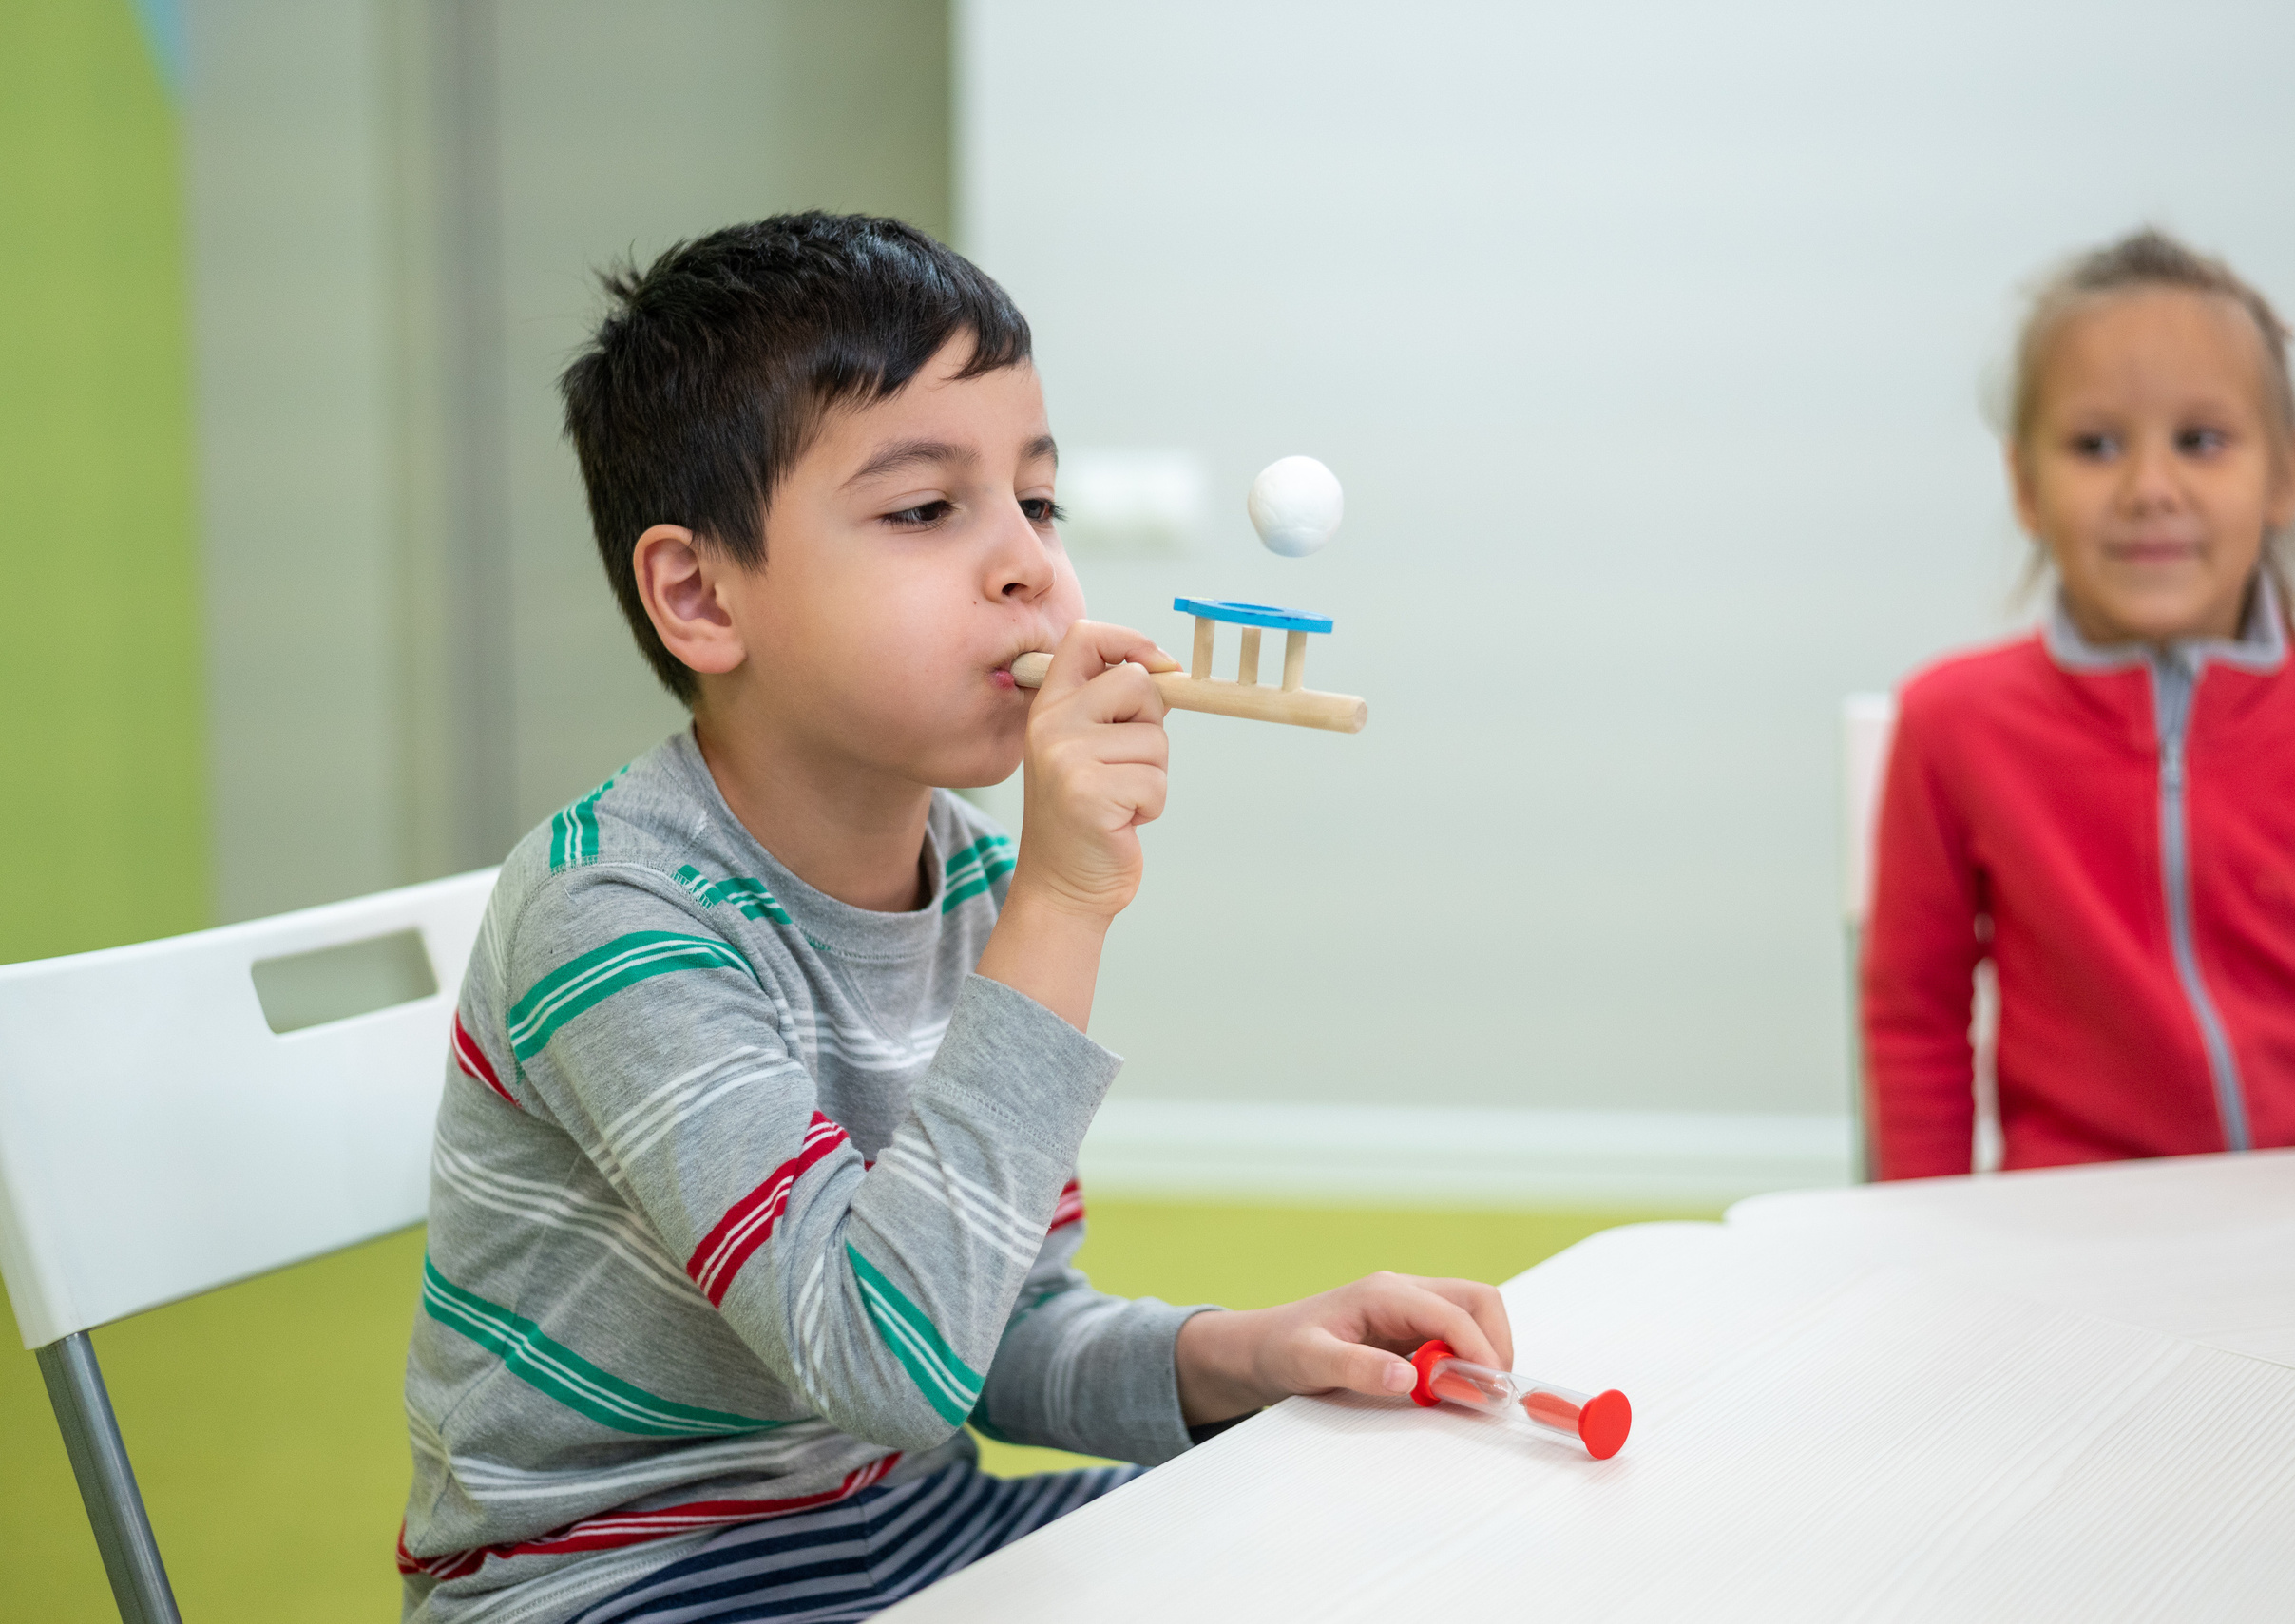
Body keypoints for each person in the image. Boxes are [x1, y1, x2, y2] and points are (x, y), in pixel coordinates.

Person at [396, 212, 1512, 1624]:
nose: (1030, 567)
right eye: (928, 510)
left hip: (916, 1528)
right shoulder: (613, 916)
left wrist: (1242, 1355)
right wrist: (1065, 901)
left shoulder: (972, 874)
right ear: (698, 593)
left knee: (1342, 1547)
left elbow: (989, 1329)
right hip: (627, 1582)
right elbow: (884, 1360)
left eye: (1036, 504)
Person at [1864, 227, 2295, 1182]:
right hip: (2069, 1235)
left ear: (2285, 473)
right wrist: (1926, 1243)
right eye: (2095, 444)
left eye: (2200, 441)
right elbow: (1913, 1018)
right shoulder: (1949, 726)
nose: (2149, 488)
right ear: (2024, 484)